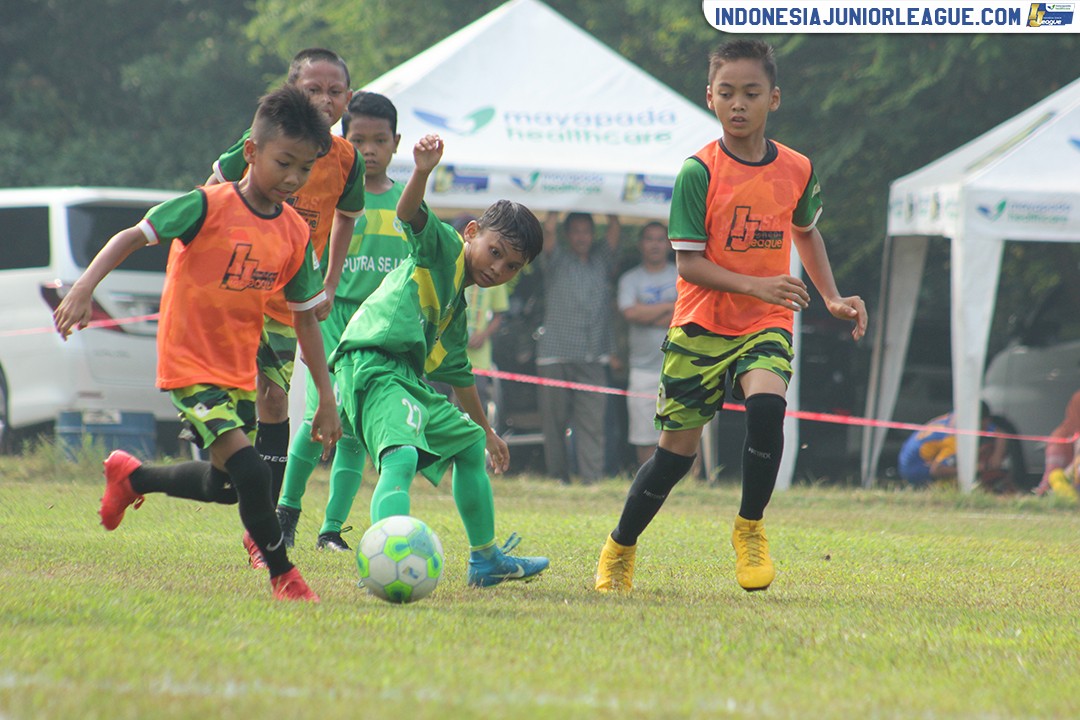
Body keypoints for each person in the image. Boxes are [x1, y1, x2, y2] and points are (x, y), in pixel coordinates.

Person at [594, 39, 867, 594]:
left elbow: (805, 232)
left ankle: (750, 528)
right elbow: (689, 264)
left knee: (767, 405)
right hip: (699, 324)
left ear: (774, 98)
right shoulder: (698, 172)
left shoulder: (797, 167)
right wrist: (757, 282)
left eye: (751, 93)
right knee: (674, 461)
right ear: (710, 99)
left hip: (764, 321)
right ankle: (620, 546)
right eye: (727, 93)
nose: (738, 104)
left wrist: (833, 297)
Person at [52, 85, 342, 602]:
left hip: (237, 368)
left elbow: (305, 322)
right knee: (251, 469)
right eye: (284, 163)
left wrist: (326, 398)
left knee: (224, 485)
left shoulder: (295, 233)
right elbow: (131, 237)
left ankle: (132, 477)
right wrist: (83, 287)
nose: (294, 179)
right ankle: (285, 576)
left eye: (305, 169)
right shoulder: (206, 206)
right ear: (251, 153)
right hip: (189, 362)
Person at [329, 133, 550, 588]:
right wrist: (423, 171)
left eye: (511, 267)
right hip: (371, 363)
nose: (497, 269)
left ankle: (486, 561)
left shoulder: (455, 310)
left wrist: (488, 434)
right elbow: (407, 213)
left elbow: (458, 374)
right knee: (402, 455)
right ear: (472, 233)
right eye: (495, 252)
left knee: (468, 445)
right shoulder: (443, 249)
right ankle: (380, 559)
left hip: (404, 377)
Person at [207, 48, 365, 566]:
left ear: (348, 96)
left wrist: (330, 279)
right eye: (313, 89)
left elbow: (345, 217)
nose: (325, 99)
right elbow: (211, 193)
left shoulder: (347, 159)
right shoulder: (263, 144)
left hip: (285, 300)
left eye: (335, 91)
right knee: (227, 414)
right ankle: (228, 478)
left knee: (274, 401)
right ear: (293, 91)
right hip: (236, 293)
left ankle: (266, 525)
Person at [275, 91, 409, 551]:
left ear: (396, 142)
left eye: (380, 140)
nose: (369, 149)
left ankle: (331, 530)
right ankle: (285, 513)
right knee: (318, 417)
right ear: (343, 139)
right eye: (359, 139)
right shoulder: (330, 190)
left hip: (378, 331)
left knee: (353, 431)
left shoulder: (406, 203)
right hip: (331, 319)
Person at [537, 211, 621, 484]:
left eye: (587, 231)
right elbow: (548, 234)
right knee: (555, 423)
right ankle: (558, 479)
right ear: (567, 234)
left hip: (592, 355)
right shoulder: (557, 258)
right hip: (555, 354)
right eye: (576, 231)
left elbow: (614, 229)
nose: (582, 236)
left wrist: (612, 204)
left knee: (592, 423)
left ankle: (591, 480)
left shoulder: (600, 261)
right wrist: (555, 211)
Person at [618, 222, 679, 466]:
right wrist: (668, 307)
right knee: (644, 436)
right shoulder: (630, 279)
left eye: (660, 239)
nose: (655, 244)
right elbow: (630, 314)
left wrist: (648, 313)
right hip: (641, 370)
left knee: (684, 433)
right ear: (640, 244)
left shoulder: (683, 273)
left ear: (669, 243)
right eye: (649, 239)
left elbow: (688, 315)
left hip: (679, 367)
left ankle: (688, 488)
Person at [897, 403, 1007, 488]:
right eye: (985, 424)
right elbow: (936, 470)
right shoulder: (953, 439)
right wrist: (973, 469)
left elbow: (1000, 433)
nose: (987, 427)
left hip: (909, 454)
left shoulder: (959, 416)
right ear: (979, 421)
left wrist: (996, 456)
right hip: (915, 469)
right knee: (956, 478)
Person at [1039, 390, 1080, 501]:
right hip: (1062, 443)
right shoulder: (1078, 397)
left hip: (1067, 442)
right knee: (1053, 476)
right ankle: (1043, 496)